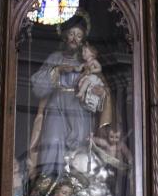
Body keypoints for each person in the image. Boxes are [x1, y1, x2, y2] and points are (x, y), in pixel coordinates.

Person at [28, 13, 112, 179]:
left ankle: (74, 185)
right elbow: (37, 87)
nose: (74, 38)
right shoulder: (55, 58)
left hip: (79, 110)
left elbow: (103, 89)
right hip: (56, 107)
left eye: (79, 35)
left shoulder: (87, 62)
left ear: (83, 40)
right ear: (65, 36)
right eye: (72, 34)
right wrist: (58, 69)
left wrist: (101, 92)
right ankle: (49, 183)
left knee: (79, 145)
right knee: (52, 142)